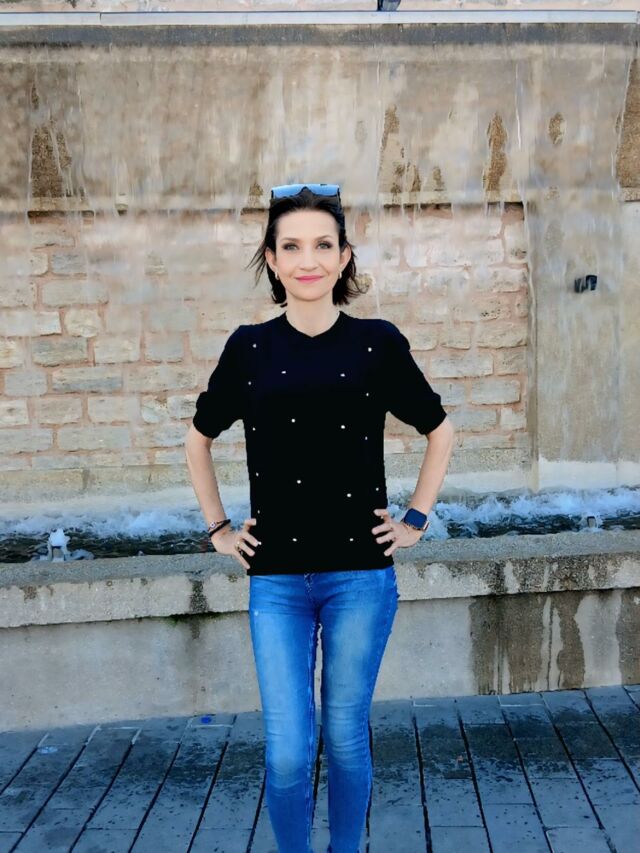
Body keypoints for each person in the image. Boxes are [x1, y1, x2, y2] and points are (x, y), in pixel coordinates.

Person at [184, 183, 455, 853]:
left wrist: (416, 518)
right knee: (286, 749)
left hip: (360, 575)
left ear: (344, 257)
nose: (309, 260)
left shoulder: (376, 344)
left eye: (323, 245)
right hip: (275, 579)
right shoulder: (249, 348)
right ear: (273, 260)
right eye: (292, 247)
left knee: (345, 736)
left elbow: (439, 429)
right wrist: (219, 529)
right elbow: (198, 438)